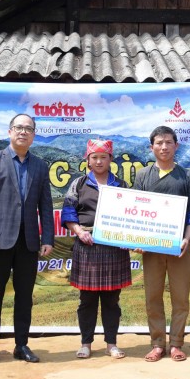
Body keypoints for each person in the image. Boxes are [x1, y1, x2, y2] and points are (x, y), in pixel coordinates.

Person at [0, 114, 55, 364]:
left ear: (33, 135)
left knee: (24, 295)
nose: (23, 132)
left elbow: (46, 203)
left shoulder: (40, 166)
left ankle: (22, 344)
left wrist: (48, 237)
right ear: (10, 131)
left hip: (29, 241)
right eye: (19, 128)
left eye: (28, 129)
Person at [134, 126, 190, 363]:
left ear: (176, 146)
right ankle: (156, 343)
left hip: (179, 248)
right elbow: (137, 211)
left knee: (180, 297)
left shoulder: (186, 176)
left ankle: (176, 343)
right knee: (153, 296)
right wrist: (139, 240)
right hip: (151, 249)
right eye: (159, 143)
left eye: (168, 142)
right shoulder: (143, 176)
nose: (164, 147)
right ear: (151, 146)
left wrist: (187, 237)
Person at [62, 139, 132, 359]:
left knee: (112, 300)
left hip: (114, 248)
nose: (99, 161)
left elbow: (130, 216)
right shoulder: (79, 184)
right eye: (95, 157)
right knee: (87, 300)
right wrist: (79, 231)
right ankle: (86, 343)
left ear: (111, 159)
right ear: (88, 159)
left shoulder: (121, 185)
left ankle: (111, 343)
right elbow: (68, 213)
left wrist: (126, 236)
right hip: (87, 246)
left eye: (104, 157)